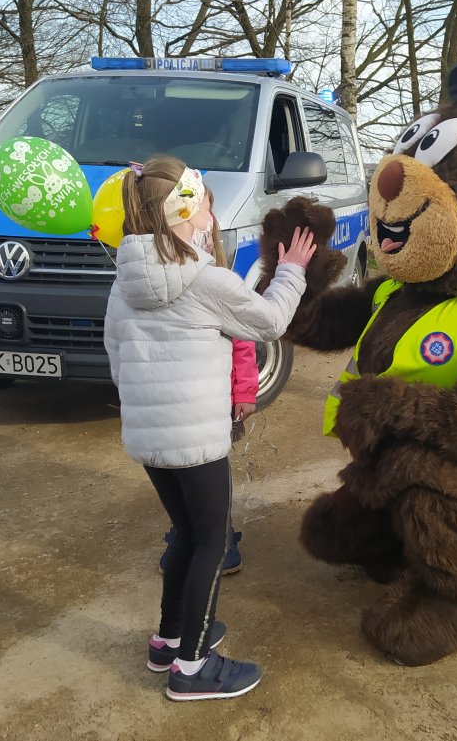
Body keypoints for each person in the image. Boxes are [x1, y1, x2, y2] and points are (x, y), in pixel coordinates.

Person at [103, 155, 316, 701]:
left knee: (188, 535)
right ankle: (192, 668)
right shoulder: (203, 279)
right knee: (211, 543)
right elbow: (269, 321)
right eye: (207, 207)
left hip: (150, 437)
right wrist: (291, 270)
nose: (212, 219)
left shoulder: (125, 279)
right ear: (192, 212)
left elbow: (114, 354)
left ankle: (169, 639)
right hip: (197, 436)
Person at [158, 189, 259, 575]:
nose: (209, 217)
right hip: (178, 401)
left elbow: (243, 342)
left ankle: (221, 537)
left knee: (212, 475)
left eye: (210, 209)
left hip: (217, 401)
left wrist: (244, 390)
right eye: (203, 208)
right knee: (181, 474)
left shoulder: (220, 279)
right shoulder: (155, 282)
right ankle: (188, 534)